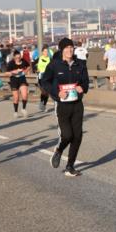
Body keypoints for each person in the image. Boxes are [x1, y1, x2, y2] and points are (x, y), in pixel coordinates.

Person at [41, 37, 90, 177]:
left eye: (71, 47)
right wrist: (57, 92)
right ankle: (58, 150)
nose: (69, 50)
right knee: (67, 135)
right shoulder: (54, 65)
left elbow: (86, 82)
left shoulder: (80, 64)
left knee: (78, 136)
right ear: (61, 50)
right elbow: (45, 82)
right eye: (66, 48)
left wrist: (83, 88)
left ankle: (70, 166)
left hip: (77, 105)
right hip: (62, 105)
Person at [6, 50, 31, 118]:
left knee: (25, 95)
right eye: (16, 58)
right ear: (14, 57)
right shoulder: (11, 63)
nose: (18, 59)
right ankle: (16, 111)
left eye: (19, 57)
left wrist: (25, 71)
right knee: (16, 98)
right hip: (14, 81)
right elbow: (6, 73)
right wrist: (13, 72)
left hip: (22, 79)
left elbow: (28, 66)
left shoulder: (23, 61)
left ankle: (23, 109)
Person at [35, 45, 53, 112]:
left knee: (47, 92)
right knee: (43, 91)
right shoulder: (39, 58)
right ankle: (41, 102)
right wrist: (36, 69)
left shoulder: (50, 59)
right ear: (42, 52)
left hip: (48, 76)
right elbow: (33, 64)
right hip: (41, 76)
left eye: (47, 51)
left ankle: (44, 105)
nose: (46, 52)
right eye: (44, 51)